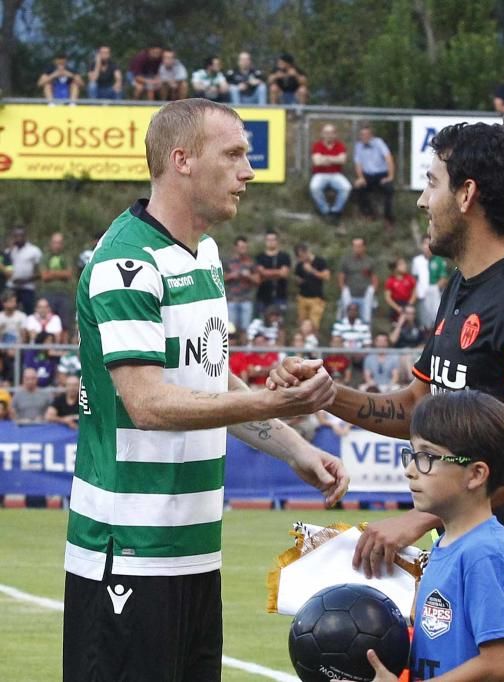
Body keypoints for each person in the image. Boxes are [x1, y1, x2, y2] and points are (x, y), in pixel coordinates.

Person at [270, 122, 504, 682]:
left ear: (467, 196)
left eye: (431, 182)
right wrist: (327, 394)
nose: (420, 199)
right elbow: (420, 404)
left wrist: (419, 518)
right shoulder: (461, 287)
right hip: (459, 556)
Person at [62, 99, 348, 682]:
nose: (249, 171)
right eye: (235, 154)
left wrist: (297, 448)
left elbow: (208, 382)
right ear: (182, 160)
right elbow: (149, 403)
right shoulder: (127, 263)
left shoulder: (205, 255)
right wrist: (273, 401)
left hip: (195, 550)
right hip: (130, 550)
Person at [365, 390, 504, 681]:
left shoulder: (483, 553)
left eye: (427, 457)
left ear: (476, 474)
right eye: (412, 455)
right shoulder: (447, 545)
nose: (410, 470)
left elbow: (499, 665)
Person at [353, 124, 396, 225]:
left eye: (366, 134)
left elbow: (388, 158)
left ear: (371, 135)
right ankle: (368, 214)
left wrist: (390, 176)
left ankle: (388, 218)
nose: (364, 137)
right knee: (358, 188)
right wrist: (360, 177)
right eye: (362, 135)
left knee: (389, 189)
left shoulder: (379, 143)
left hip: (381, 174)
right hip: (367, 176)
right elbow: (358, 164)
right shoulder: (358, 146)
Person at [309, 124, 351, 221]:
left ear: (335, 134)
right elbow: (317, 162)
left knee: (346, 187)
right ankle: (325, 211)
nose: (329, 135)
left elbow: (342, 160)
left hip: (335, 174)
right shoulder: (317, 145)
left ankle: (336, 211)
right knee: (314, 187)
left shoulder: (340, 145)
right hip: (320, 174)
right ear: (322, 134)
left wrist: (325, 158)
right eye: (326, 133)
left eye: (331, 133)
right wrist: (334, 159)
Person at [338, 237, 379, 324]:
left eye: (359, 246)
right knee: (347, 317)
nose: (357, 249)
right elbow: (341, 276)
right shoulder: (346, 260)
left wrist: (373, 290)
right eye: (355, 246)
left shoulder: (370, 261)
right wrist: (343, 289)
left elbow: (374, 277)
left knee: (366, 319)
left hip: (365, 295)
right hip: (350, 294)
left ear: (364, 247)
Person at [412, 235, 449, 330]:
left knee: (436, 320)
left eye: (429, 243)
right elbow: (415, 279)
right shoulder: (417, 261)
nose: (427, 246)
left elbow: (444, 278)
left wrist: (433, 289)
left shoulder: (439, 260)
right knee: (424, 324)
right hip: (421, 297)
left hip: (435, 295)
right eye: (425, 243)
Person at [224, 236, 259, 332]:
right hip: (232, 300)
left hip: (246, 300)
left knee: (245, 329)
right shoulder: (228, 262)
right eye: (240, 247)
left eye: (244, 247)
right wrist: (232, 275)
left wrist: (248, 276)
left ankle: (244, 346)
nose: (242, 249)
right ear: (235, 248)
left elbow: (257, 280)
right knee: (230, 330)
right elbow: (221, 278)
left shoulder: (251, 263)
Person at [254, 229, 291, 317]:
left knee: (279, 324)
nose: (271, 242)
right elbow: (259, 274)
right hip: (263, 296)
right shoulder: (260, 257)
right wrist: (278, 272)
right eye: (268, 240)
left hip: (280, 296)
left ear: (277, 241)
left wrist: (266, 273)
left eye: (273, 239)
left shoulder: (284, 257)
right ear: (265, 241)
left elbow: (284, 274)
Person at [6, 226, 42, 314]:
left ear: (25, 236)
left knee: (29, 312)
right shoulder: (9, 251)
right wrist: (10, 249)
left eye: (20, 235)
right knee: (10, 312)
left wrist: (24, 281)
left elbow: (40, 272)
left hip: (27, 287)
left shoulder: (34, 251)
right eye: (16, 236)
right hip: (12, 287)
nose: (18, 238)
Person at [294, 242, 330, 329]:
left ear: (307, 252)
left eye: (302, 256)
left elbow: (327, 276)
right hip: (302, 297)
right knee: (302, 325)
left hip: (316, 298)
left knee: (314, 325)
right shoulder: (299, 265)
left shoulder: (320, 261)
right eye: (299, 257)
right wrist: (298, 281)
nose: (301, 259)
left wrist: (312, 271)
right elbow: (297, 277)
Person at [39, 232, 74, 321]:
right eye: (55, 242)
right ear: (51, 243)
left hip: (64, 293)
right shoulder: (45, 257)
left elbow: (69, 274)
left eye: (59, 243)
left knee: (64, 322)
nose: (57, 245)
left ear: (62, 244)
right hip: (48, 293)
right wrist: (61, 273)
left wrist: (51, 272)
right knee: (48, 321)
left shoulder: (66, 257)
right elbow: (44, 276)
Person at [384, 257, 417, 322]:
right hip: (396, 306)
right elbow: (388, 298)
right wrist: (397, 308)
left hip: (407, 305)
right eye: (401, 264)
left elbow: (414, 293)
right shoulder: (390, 280)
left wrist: (409, 304)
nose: (405, 266)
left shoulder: (409, 278)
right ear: (395, 268)